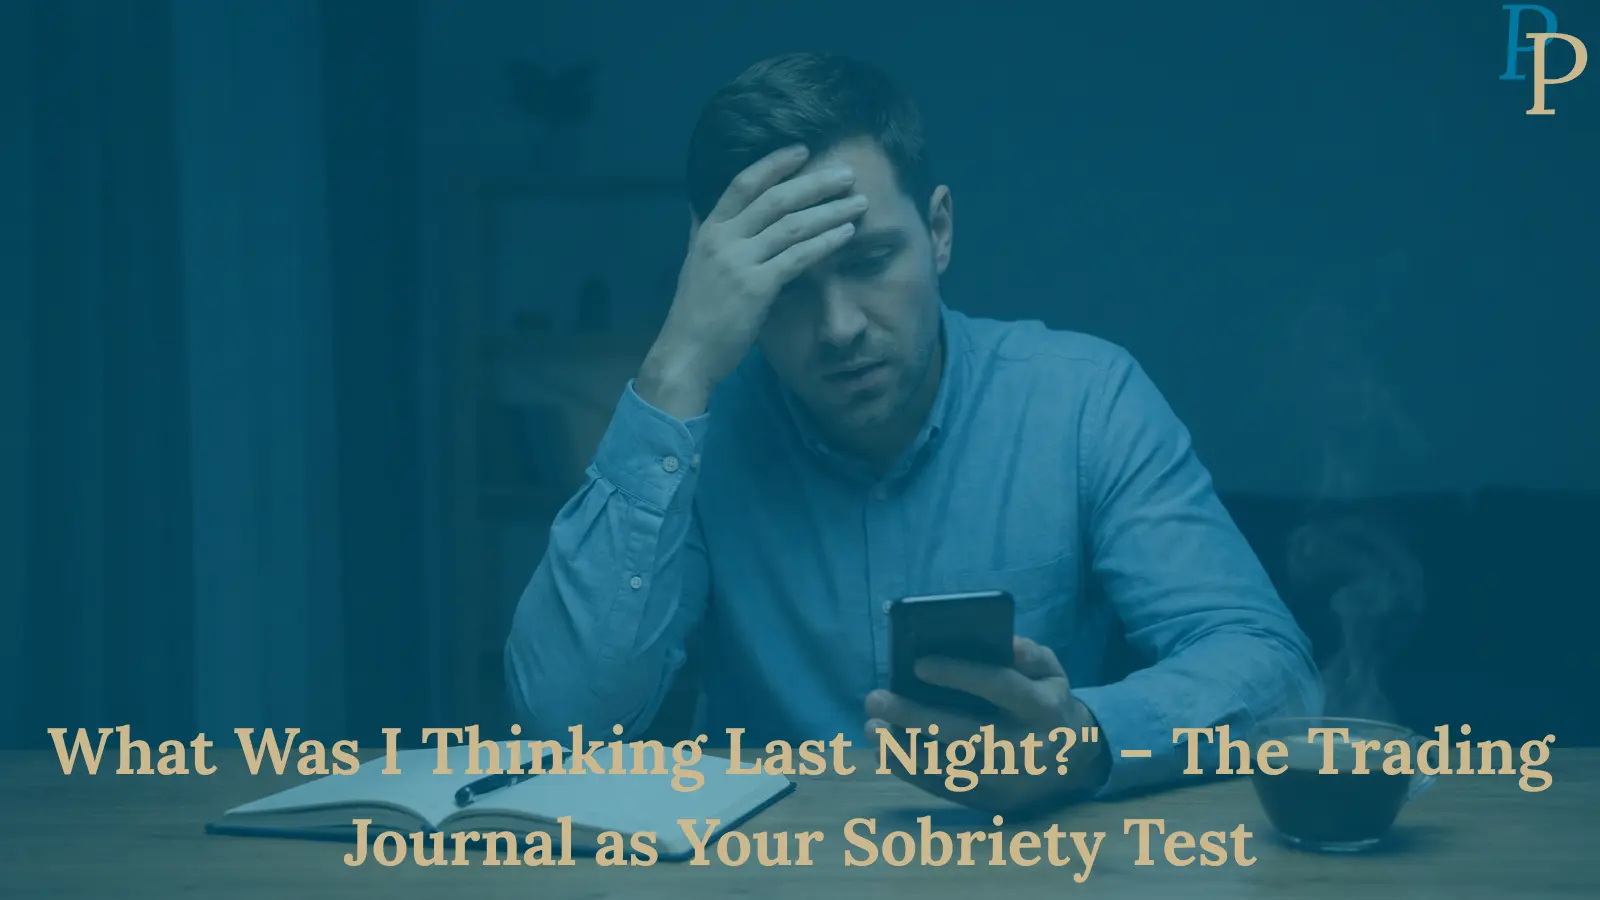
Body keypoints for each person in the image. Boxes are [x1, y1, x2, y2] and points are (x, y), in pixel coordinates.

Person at [504, 51, 1322, 813]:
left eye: (868, 261)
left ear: (939, 232)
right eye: (785, 286)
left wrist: (1084, 741)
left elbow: (1273, 670)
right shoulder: (694, 438)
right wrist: (676, 363)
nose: (837, 328)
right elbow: (562, 729)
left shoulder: (1083, 401)